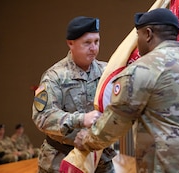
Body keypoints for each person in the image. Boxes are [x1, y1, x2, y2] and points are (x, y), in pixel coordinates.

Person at [74, 8, 179, 173]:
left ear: (148, 34)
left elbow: (115, 122)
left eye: (138, 36)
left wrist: (86, 139)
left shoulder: (143, 68)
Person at [32, 16, 116, 173]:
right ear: (70, 43)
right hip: (62, 160)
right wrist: (81, 119)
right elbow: (42, 117)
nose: (93, 48)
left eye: (96, 41)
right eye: (87, 43)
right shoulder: (55, 76)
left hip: (100, 160)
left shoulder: (106, 72)